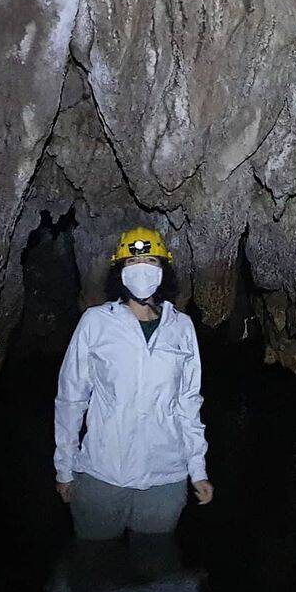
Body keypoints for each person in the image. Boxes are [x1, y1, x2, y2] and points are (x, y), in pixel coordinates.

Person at [53, 226, 214, 539]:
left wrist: (198, 470)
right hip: (102, 475)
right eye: (131, 263)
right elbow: (71, 398)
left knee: (155, 567)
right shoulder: (96, 322)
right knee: (94, 569)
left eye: (151, 261)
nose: (142, 269)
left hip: (164, 479)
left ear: (163, 270)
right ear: (120, 271)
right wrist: (64, 467)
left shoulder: (181, 327)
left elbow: (188, 404)